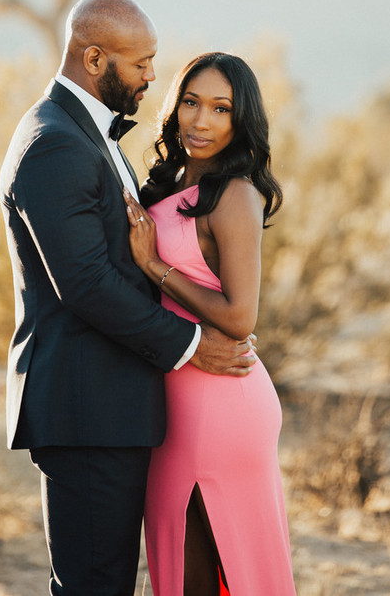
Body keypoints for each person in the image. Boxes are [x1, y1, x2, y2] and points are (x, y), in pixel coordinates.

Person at [0, 0, 257, 596]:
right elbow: (85, 284)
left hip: (114, 405)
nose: (151, 76)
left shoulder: (88, 133)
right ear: (94, 58)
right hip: (87, 408)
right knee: (94, 585)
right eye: (140, 64)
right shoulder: (54, 142)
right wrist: (193, 344)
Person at [123, 51, 297, 596]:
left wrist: (156, 266)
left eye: (220, 109)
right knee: (178, 565)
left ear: (240, 119)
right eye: (192, 103)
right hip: (173, 399)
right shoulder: (168, 184)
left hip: (221, 402)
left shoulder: (236, 194)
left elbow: (241, 316)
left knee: (208, 576)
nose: (201, 121)